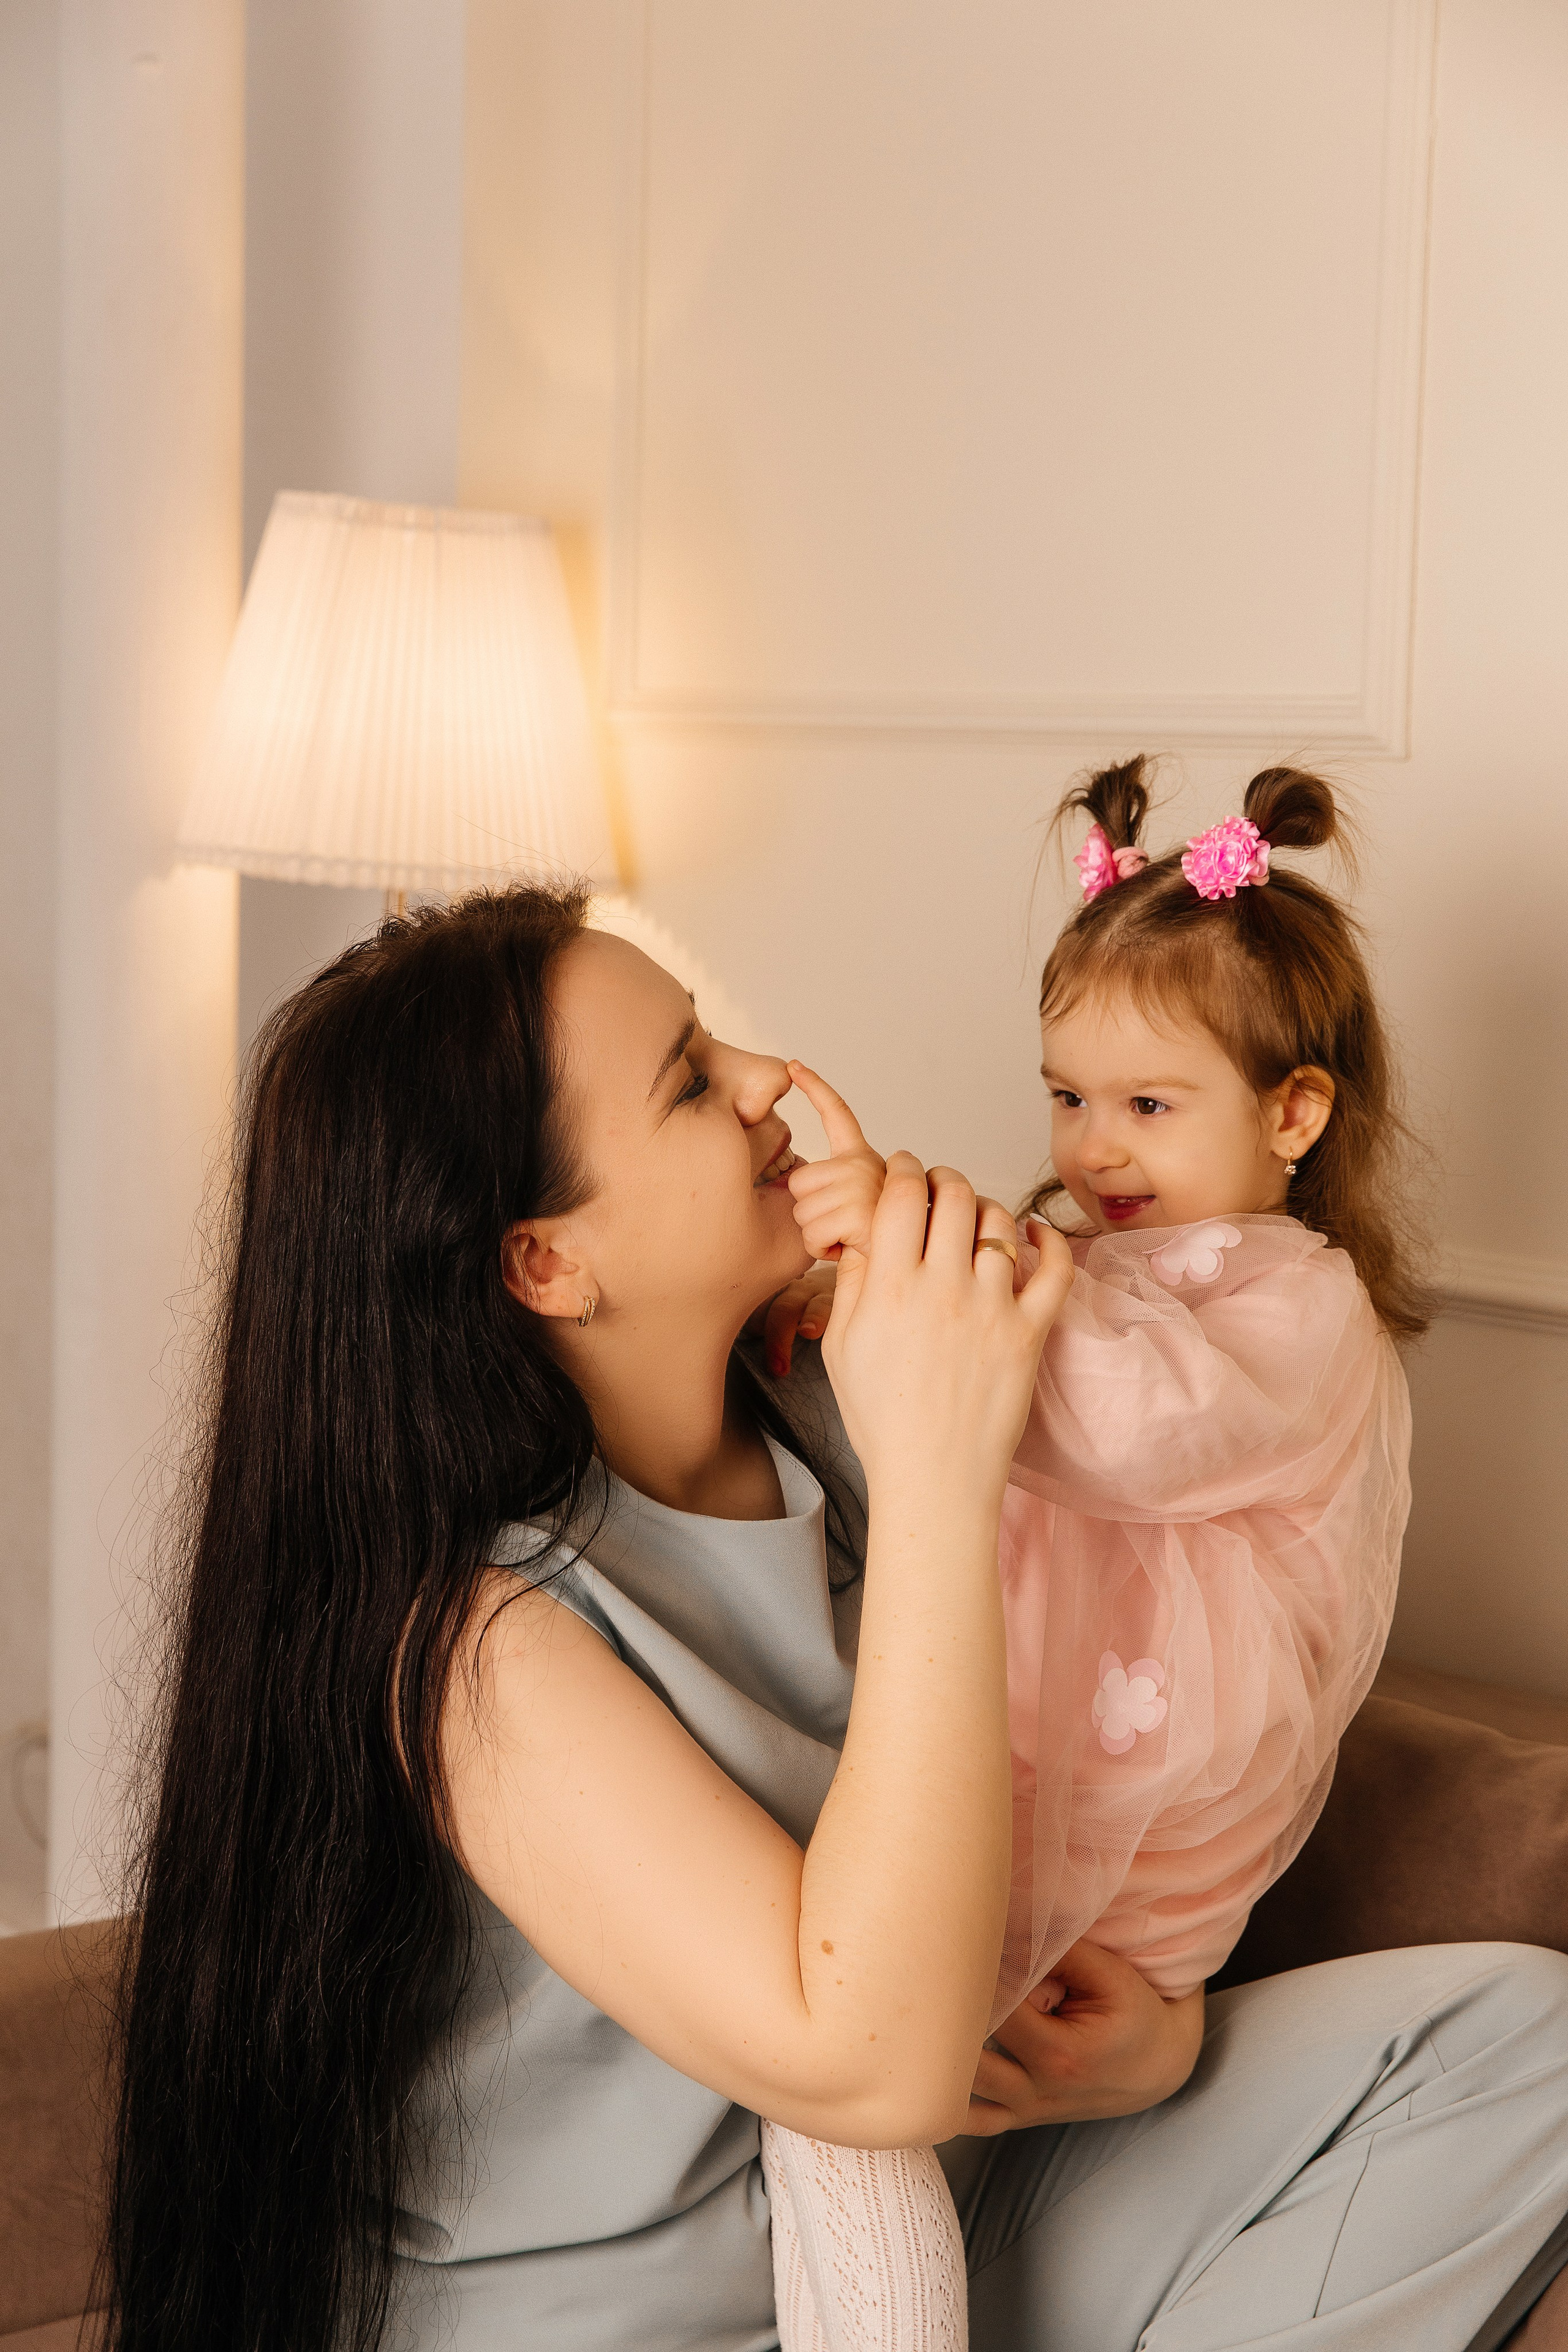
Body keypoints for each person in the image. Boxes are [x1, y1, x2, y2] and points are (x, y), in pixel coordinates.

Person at [104, 880, 1568, 2352]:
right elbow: (865, 2064)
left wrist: (1152, 2041)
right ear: (548, 1261)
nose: (761, 1083)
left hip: (917, 2209)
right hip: (661, 2311)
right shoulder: (479, 1644)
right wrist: (941, 1467)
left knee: (1527, 2045)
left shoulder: (822, 1412)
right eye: (689, 1079)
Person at [760, 761, 1420, 2351]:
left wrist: (910, 1249)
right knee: (848, 2076)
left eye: (1146, 1105)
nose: (1096, 1146)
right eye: (1067, 1096)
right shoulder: (1103, 1261)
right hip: (1042, 1788)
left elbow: (1114, 1422)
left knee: (836, 2088)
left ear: (1294, 1112)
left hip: (1143, 1830)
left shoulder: (1296, 1308)